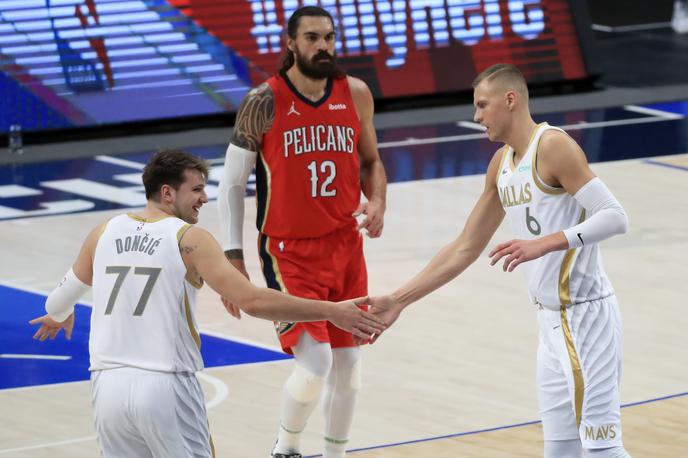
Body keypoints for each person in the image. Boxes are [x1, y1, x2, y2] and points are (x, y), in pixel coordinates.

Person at [29, 150, 385, 458]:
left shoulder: (103, 231)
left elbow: (58, 299)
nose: (203, 198)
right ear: (167, 193)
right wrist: (332, 310)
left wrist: (61, 314)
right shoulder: (190, 238)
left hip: (107, 388)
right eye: (196, 189)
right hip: (165, 386)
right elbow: (253, 301)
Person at [368, 64, 631, 458]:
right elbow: (464, 247)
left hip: (586, 318)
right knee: (560, 451)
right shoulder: (500, 166)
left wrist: (545, 243)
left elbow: (615, 216)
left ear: (511, 100)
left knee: (602, 451)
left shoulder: (554, 146)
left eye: (481, 105)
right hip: (549, 325)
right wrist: (399, 299)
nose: (476, 117)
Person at [217, 6, 387, 457]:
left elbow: (371, 161)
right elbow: (231, 184)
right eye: (312, 38)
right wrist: (233, 260)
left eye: (329, 37)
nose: (323, 46)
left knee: (350, 368)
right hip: (288, 253)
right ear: (291, 43)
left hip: (346, 247)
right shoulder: (264, 101)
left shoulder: (355, 94)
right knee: (316, 365)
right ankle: (286, 448)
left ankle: (336, 454)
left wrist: (378, 201)